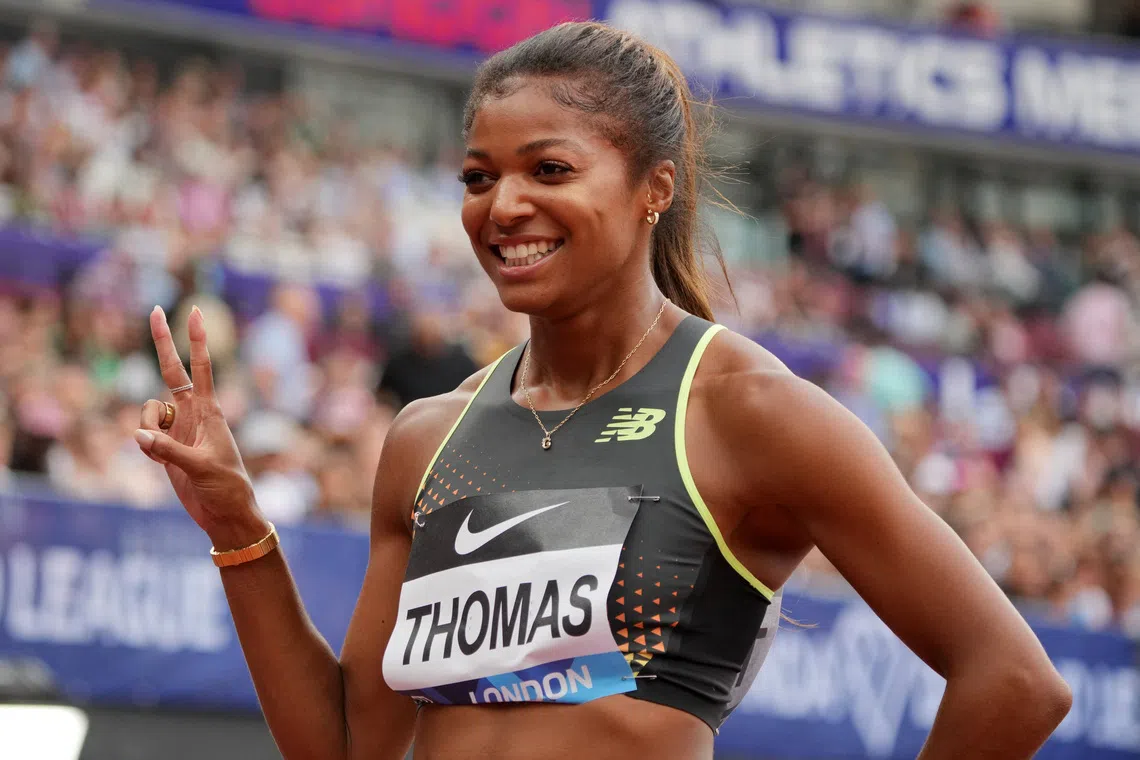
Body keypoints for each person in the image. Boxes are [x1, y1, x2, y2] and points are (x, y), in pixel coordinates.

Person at [132, 21, 1071, 760]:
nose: (503, 206)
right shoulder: (428, 437)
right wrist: (236, 527)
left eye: (549, 170)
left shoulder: (746, 410)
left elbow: (1015, 681)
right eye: (478, 176)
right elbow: (344, 746)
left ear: (651, 189)